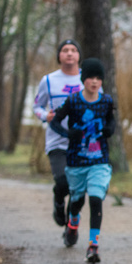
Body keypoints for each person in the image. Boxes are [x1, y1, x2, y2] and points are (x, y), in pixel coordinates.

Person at [49, 58, 116, 264]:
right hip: (76, 162)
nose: (94, 82)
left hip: (99, 161)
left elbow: (111, 122)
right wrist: (69, 134)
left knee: (96, 198)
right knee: (77, 201)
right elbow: (55, 122)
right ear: (83, 79)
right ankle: (73, 224)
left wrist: (109, 130)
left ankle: (93, 246)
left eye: (98, 78)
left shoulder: (106, 101)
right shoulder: (73, 101)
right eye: (90, 78)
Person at [33, 40, 83, 227]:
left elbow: (99, 103)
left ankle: (71, 223)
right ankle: (59, 202)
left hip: (82, 142)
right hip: (57, 141)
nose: (69, 53)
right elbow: (36, 106)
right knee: (62, 182)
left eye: (73, 50)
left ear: (79, 55)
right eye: (64, 50)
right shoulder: (48, 81)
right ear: (59, 56)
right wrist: (45, 115)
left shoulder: (87, 79)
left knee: (77, 188)